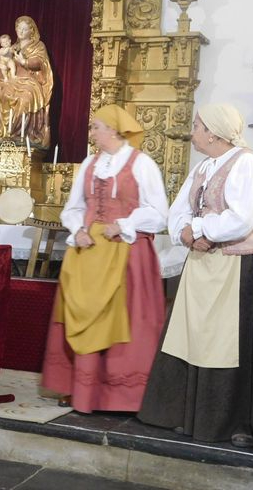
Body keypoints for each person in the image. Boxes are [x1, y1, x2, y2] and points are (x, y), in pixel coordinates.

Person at [138, 104, 253, 449]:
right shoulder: (205, 166)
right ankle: (189, 414)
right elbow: (178, 210)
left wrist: (204, 228)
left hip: (236, 266)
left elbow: (244, 215)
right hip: (203, 262)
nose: (192, 132)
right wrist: (187, 233)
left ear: (214, 132)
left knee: (227, 343)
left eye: (197, 126)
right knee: (193, 336)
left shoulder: (245, 163)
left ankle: (233, 420)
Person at [41, 104, 168, 413]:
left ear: (113, 130)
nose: (92, 132)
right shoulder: (89, 163)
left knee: (123, 318)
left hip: (126, 252)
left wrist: (124, 225)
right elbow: (72, 207)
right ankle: (79, 388)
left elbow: (159, 213)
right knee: (80, 315)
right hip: (87, 253)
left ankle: (121, 394)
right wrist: (79, 229)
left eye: (96, 126)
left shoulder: (142, 164)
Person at [0, 16, 54, 147]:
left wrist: (24, 62)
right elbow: (3, 62)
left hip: (30, 82)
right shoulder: (12, 47)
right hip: (13, 80)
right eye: (18, 28)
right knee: (1, 92)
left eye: (24, 29)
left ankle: (23, 134)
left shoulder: (38, 46)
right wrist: (1, 64)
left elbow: (41, 62)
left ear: (31, 31)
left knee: (25, 96)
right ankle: (6, 133)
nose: (20, 32)